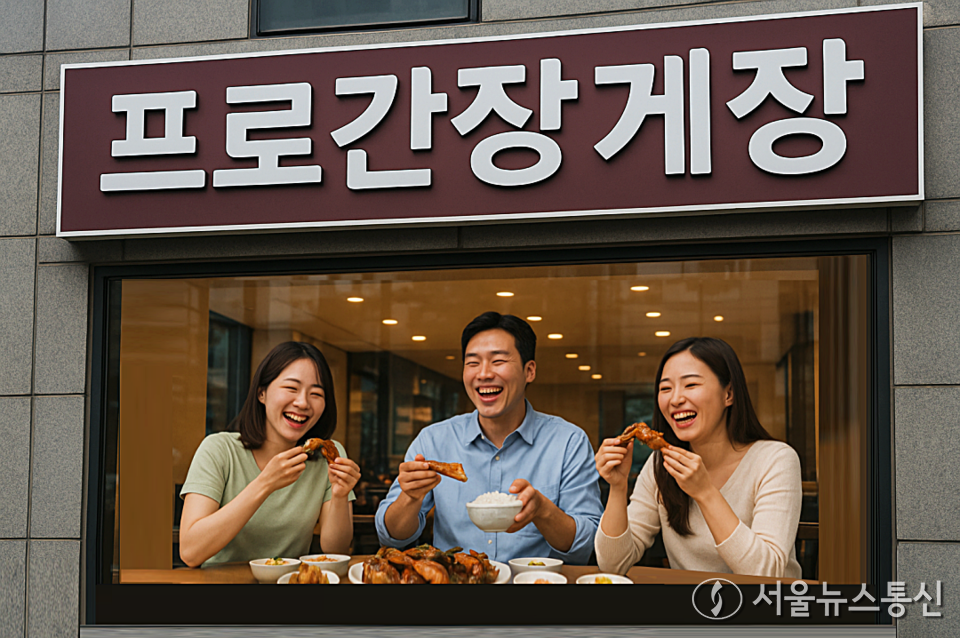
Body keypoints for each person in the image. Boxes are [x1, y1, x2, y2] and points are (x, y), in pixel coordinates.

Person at [375, 312, 603, 564]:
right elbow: (391, 537)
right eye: (472, 363)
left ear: (529, 371)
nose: (483, 374)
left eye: (498, 361)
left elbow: (586, 545)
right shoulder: (433, 440)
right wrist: (410, 497)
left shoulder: (568, 441)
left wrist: (543, 511)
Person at [594, 337, 802, 578]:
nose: (675, 399)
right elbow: (612, 566)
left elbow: (766, 575)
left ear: (729, 394)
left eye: (691, 385)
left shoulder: (776, 460)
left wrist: (705, 493)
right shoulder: (660, 464)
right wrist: (618, 488)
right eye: (665, 388)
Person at [179, 341, 360, 567]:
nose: (303, 402)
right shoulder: (218, 450)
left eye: (316, 393)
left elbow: (336, 550)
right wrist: (265, 484)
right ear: (261, 393)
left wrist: (341, 496)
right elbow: (190, 551)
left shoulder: (328, 455)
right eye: (291, 389)